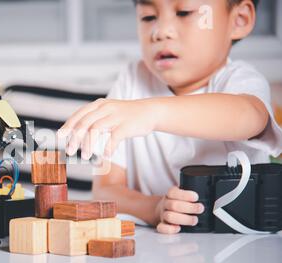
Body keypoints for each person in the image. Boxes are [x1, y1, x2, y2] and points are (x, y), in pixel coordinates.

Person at [57, 0, 282, 234]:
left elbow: (249, 117)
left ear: (239, 20)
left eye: (184, 12)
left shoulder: (240, 81)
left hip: (238, 247)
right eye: (148, 17)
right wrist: (154, 208)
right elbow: (104, 191)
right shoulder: (133, 80)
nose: (160, 31)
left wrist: (151, 113)